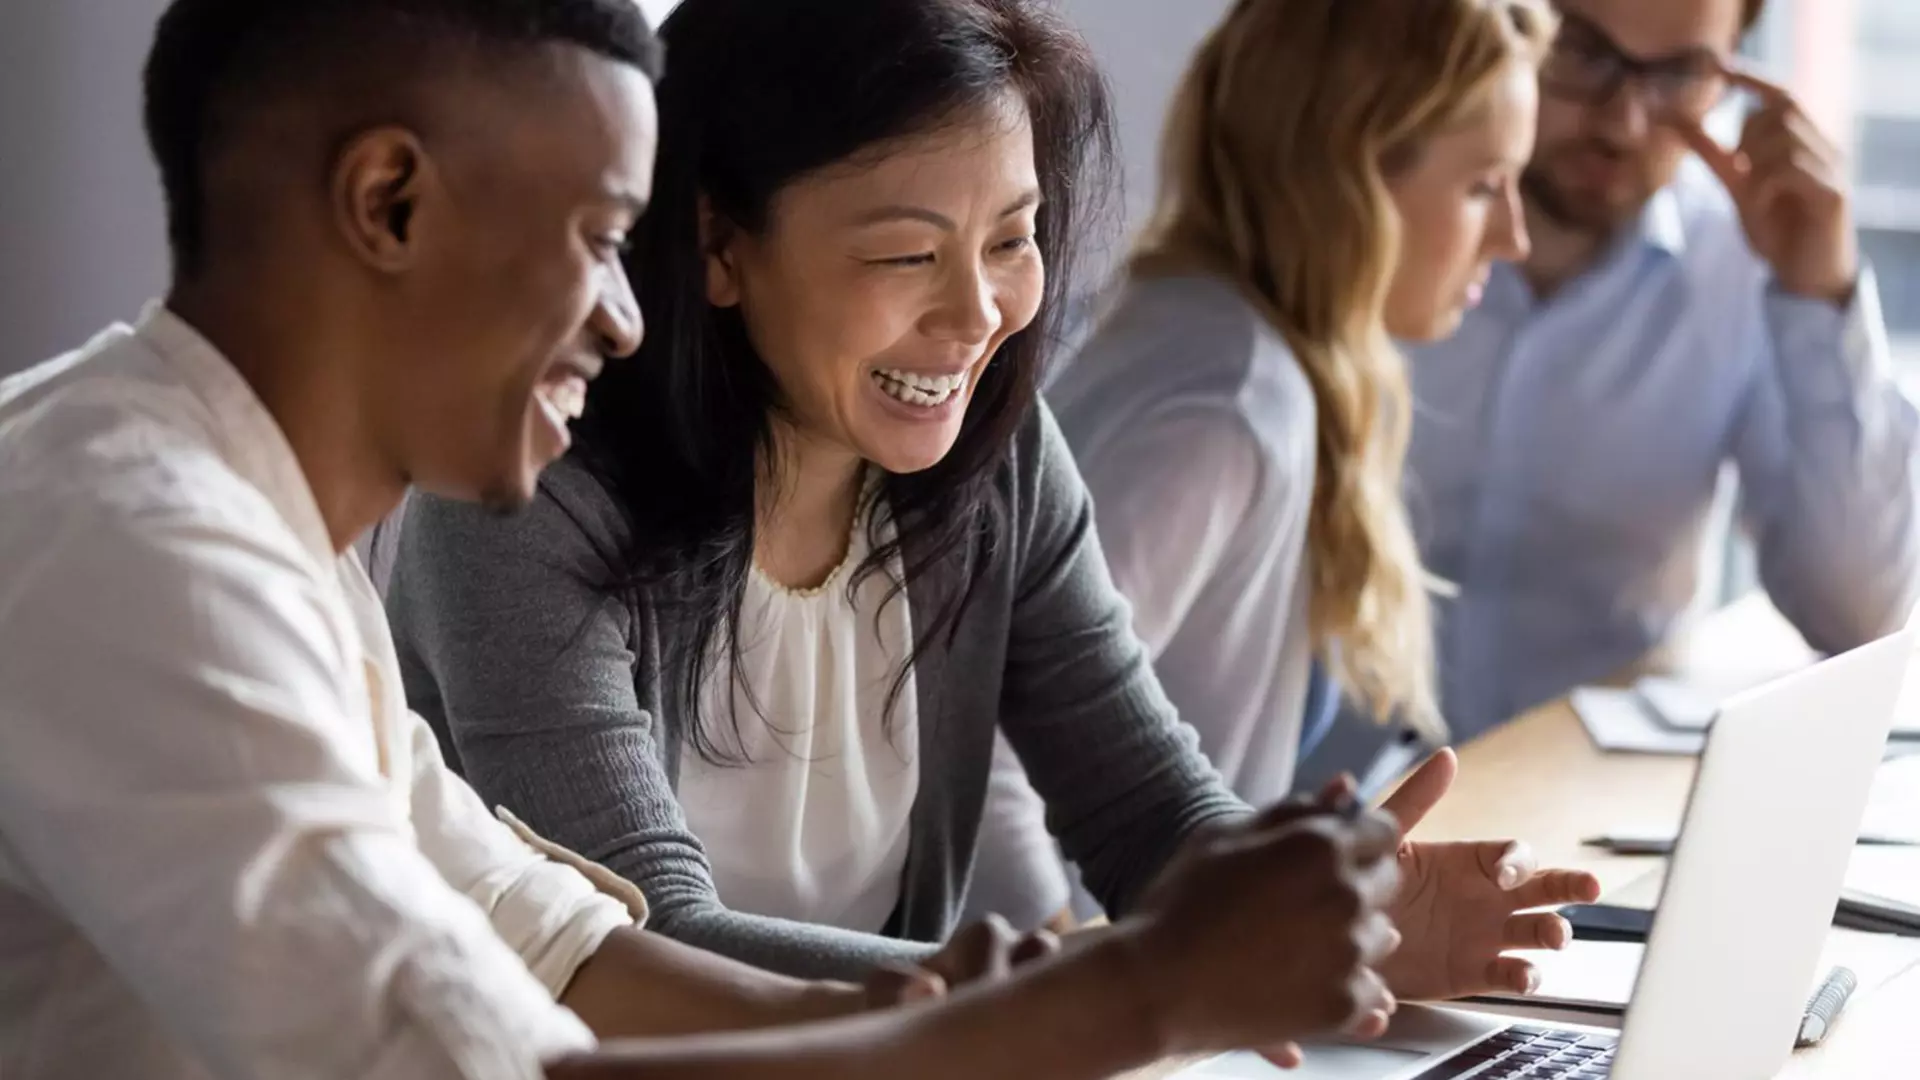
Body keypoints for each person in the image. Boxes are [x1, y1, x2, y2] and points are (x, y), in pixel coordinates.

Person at [0, 1, 1425, 1076]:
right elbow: (477, 1063)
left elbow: (552, 946)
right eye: (599, 235)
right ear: (391, 203)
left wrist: (1098, 993)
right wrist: (1133, 999)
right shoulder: (139, 552)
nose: (628, 314)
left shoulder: (257, 522)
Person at [386, 0, 1599, 999]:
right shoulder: (526, 493)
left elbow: (1145, 812)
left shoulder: (993, 456)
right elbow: (642, 952)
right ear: (717, 244)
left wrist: (1332, 919)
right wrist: (1129, 987)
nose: (978, 317)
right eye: (908, 254)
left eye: (1012, 239)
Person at [962, 0, 1556, 923]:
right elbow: (985, 745)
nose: (1514, 235)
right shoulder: (1226, 407)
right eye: (1484, 185)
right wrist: (1076, 1012)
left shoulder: (1233, 341)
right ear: (1352, 174)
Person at [1396, 0, 1920, 742]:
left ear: (1736, 65)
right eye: (1581, 51)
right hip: (1330, 805)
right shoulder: (1363, 230)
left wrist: (1819, 295)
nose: (1624, 122)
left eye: (1680, 74)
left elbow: (1858, 615)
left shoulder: (1744, 264)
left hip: (1588, 800)